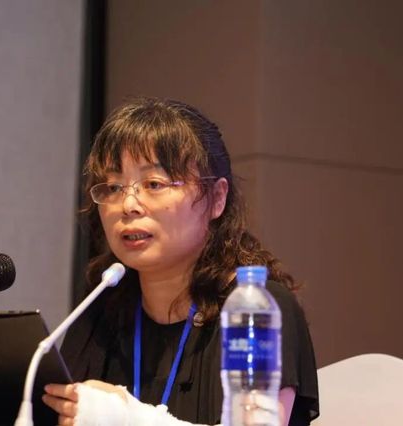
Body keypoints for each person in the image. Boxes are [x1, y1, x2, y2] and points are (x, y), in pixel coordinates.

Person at [40, 97, 319, 425]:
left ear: (217, 198)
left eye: (153, 184)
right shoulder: (101, 313)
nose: (128, 204)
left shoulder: (256, 309)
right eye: (113, 187)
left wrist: (128, 419)